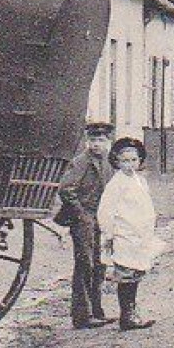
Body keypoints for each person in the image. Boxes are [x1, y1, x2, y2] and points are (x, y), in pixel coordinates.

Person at [98, 137, 165, 331]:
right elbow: (106, 211)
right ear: (117, 162)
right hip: (124, 235)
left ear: (140, 160)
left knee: (136, 273)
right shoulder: (116, 184)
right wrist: (109, 234)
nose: (129, 165)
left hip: (139, 235)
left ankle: (132, 312)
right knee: (126, 275)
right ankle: (126, 315)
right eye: (125, 161)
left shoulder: (140, 181)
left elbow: (145, 205)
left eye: (133, 160)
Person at [57, 121, 114, 329]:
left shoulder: (110, 163)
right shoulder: (81, 162)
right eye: (92, 140)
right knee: (84, 265)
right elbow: (66, 189)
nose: (96, 144)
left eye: (101, 140)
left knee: (100, 265)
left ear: (109, 142)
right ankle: (82, 316)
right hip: (84, 219)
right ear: (87, 141)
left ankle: (97, 311)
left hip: (102, 219)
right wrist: (81, 215)